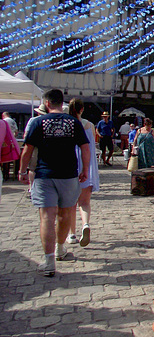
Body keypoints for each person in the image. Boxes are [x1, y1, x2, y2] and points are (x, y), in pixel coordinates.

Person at [18, 89, 90, 277]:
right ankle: (60, 249)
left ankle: (49, 261)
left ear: (47, 103)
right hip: (68, 175)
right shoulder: (73, 122)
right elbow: (85, 148)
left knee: (47, 217)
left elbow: (27, 149)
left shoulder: (38, 122)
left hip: (44, 174)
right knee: (65, 214)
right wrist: (85, 170)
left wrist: (23, 170)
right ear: (61, 103)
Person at [66, 98, 99, 247]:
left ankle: (71, 234)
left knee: (70, 204)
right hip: (87, 166)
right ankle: (85, 224)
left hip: (71, 166)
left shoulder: (68, 125)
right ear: (82, 109)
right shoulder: (89, 125)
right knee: (84, 202)